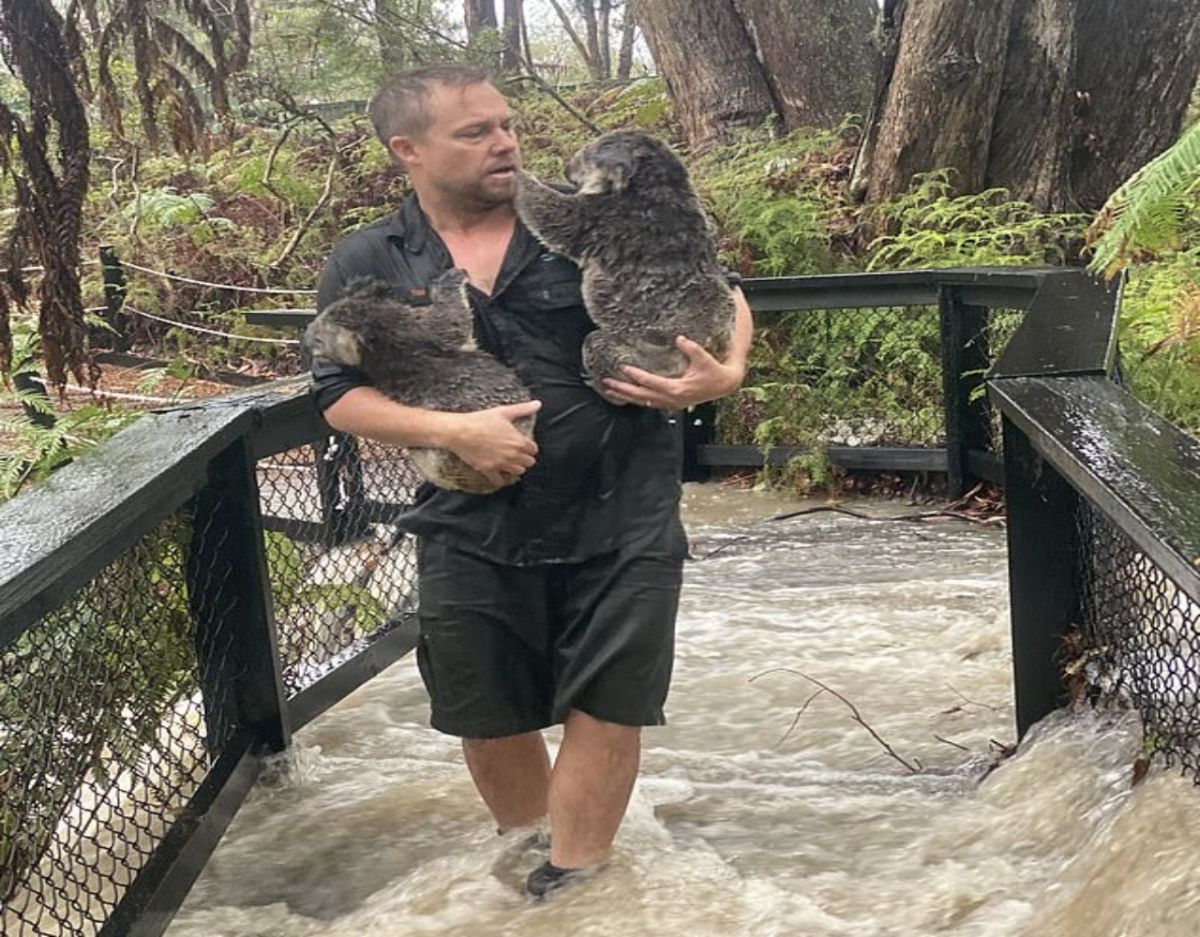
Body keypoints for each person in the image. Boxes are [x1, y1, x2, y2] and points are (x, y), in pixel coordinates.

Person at [310, 64, 753, 898]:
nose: (505, 141)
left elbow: (716, 287)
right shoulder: (369, 257)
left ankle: (577, 885)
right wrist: (453, 431)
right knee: (489, 709)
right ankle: (530, 862)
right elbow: (337, 396)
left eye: (506, 124)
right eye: (475, 132)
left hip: (623, 504)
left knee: (610, 700)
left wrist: (724, 372)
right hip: (469, 516)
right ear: (406, 149)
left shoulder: (581, 217)